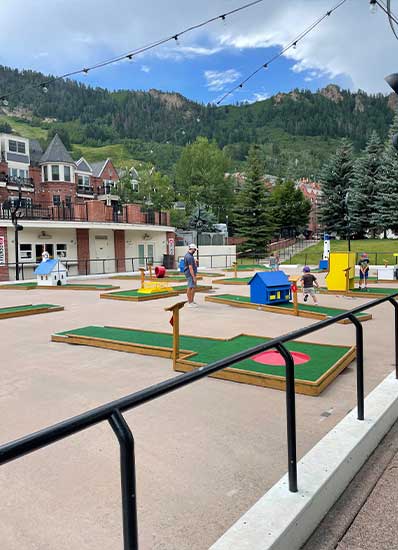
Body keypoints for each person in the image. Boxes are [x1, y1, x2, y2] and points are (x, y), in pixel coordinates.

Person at [184, 243, 198, 308]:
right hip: (190, 274)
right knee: (190, 287)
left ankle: (192, 301)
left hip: (191, 273)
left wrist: (195, 262)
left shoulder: (190, 256)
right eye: (194, 249)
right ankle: (190, 302)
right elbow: (190, 267)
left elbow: (192, 265)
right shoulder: (189, 256)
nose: (195, 251)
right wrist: (193, 277)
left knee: (193, 287)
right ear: (191, 249)